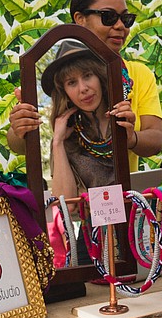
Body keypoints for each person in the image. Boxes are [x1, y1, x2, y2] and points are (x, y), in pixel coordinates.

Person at [7, 0, 162, 173]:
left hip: (121, 198)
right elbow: (22, 145)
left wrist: (131, 138)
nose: (120, 26)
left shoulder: (138, 74)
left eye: (126, 19)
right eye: (109, 17)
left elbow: (155, 139)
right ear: (80, 19)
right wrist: (20, 127)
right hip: (70, 198)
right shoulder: (54, 73)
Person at [42, 41, 135, 199]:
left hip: (135, 217)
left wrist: (131, 138)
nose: (83, 88)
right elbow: (67, 203)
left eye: (87, 76)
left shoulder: (122, 118)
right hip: (93, 222)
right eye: (72, 83)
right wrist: (57, 142)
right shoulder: (67, 136)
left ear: (99, 76)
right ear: (64, 92)